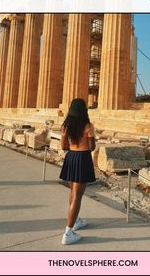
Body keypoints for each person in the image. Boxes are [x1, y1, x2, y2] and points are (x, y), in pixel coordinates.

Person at [59, 98, 96, 245]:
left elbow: (63, 146)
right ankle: (68, 233)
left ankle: (76, 221)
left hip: (71, 158)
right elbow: (92, 147)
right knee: (77, 196)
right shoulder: (88, 126)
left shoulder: (66, 125)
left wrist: (73, 147)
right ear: (84, 110)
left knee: (73, 193)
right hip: (83, 158)